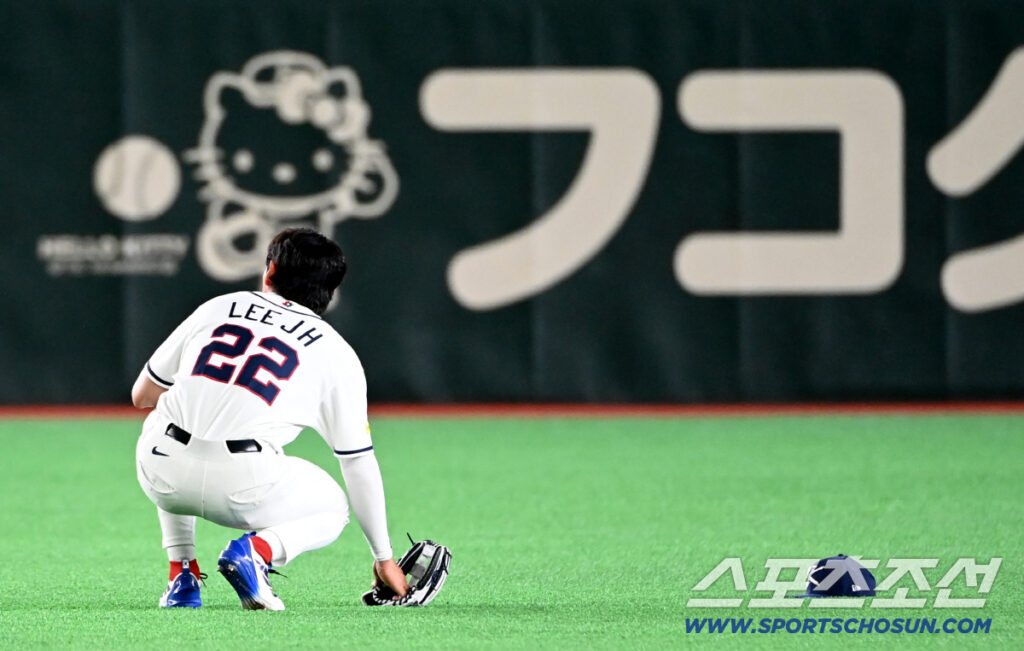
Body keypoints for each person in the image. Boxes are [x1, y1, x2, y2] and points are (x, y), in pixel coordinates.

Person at [131, 227, 409, 610]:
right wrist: (384, 557)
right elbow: (357, 461)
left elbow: (142, 395)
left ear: (270, 270)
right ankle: (258, 552)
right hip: (243, 488)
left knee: (167, 420)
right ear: (330, 291)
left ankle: (182, 576)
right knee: (333, 507)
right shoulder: (337, 353)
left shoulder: (220, 306)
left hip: (160, 472)